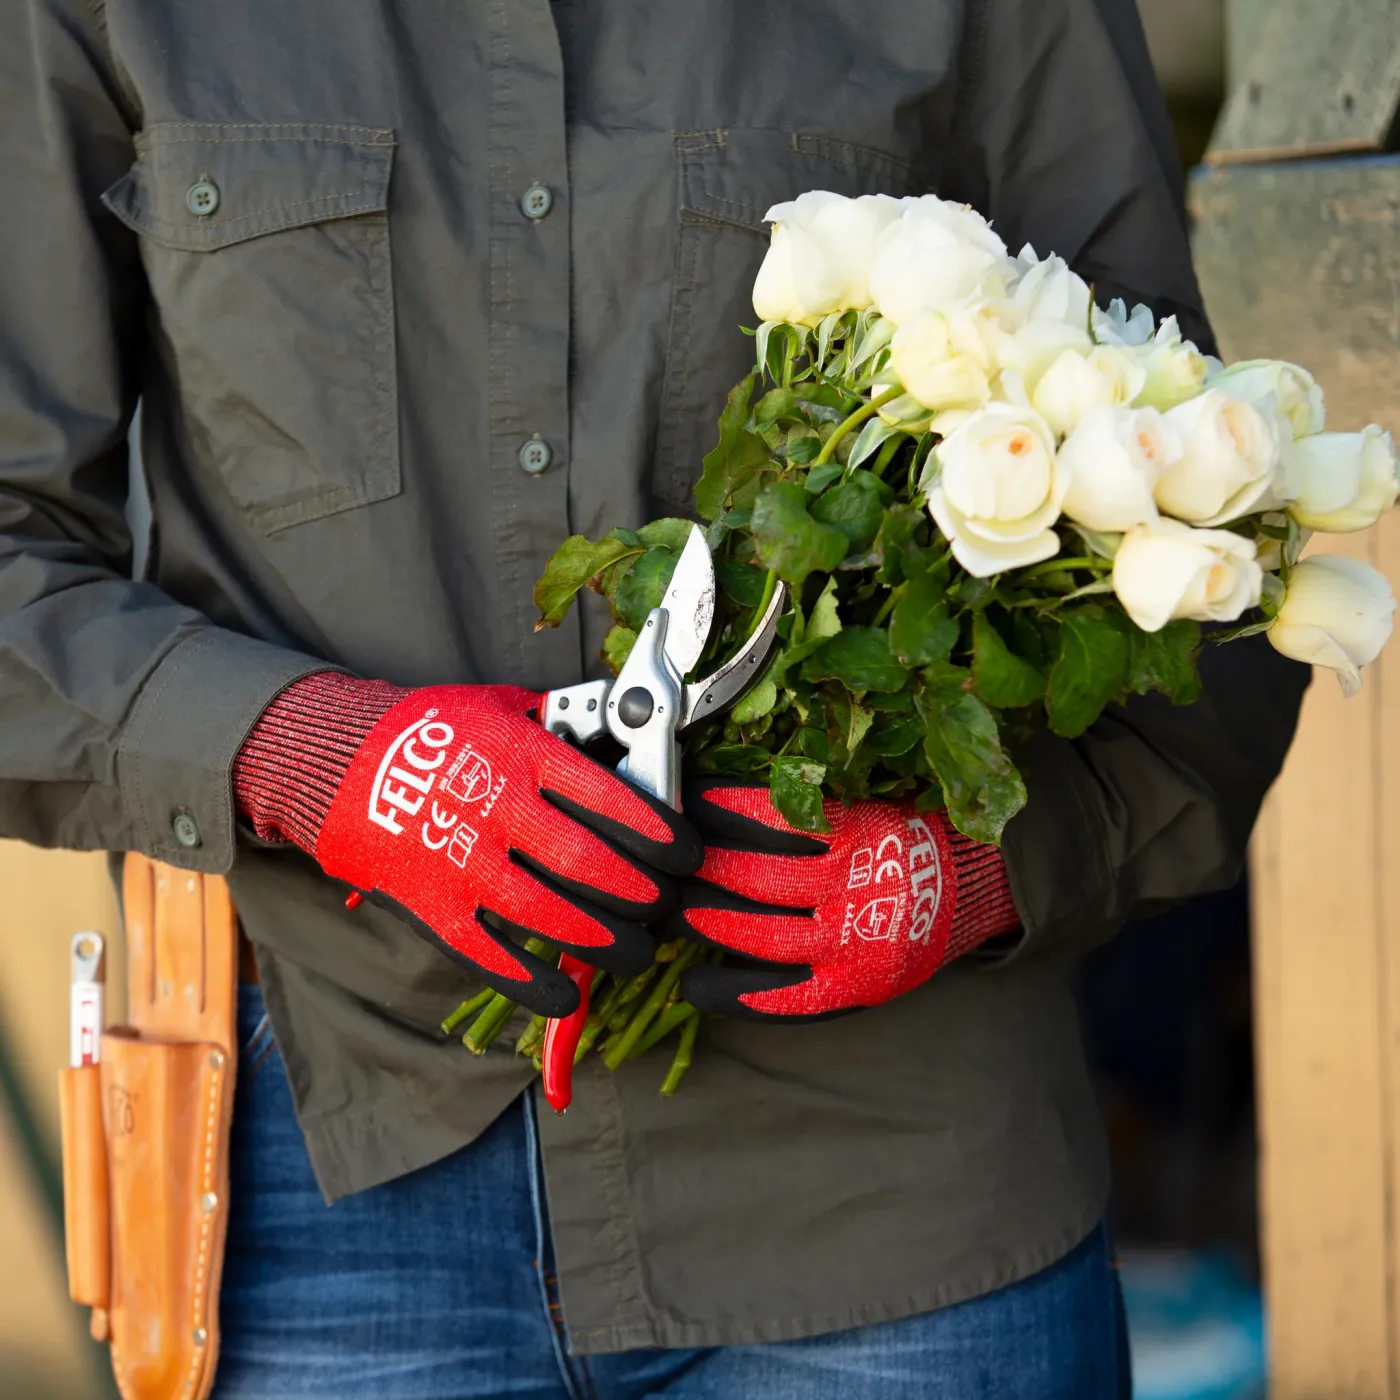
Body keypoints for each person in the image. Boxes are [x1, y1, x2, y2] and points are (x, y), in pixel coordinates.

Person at [0, 1, 1306, 1396]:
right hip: (334, 1170)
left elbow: (1208, 551)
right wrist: (318, 760)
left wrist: (977, 871)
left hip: (898, 1197)